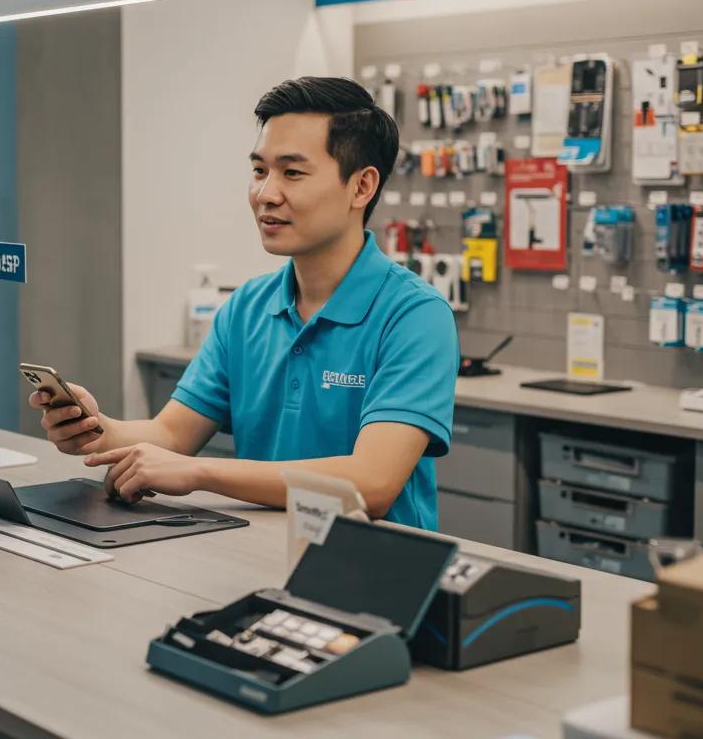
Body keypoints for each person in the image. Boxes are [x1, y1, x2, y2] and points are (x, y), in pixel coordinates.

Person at [30, 77, 458, 529]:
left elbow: (371, 484)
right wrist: (94, 429)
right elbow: (172, 433)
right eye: (259, 170)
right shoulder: (248, 307)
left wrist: (200, 473)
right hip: (259, 553)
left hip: (370, 564)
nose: (266, 194)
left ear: (361, 186)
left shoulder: (415, 315)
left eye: (292, 173)